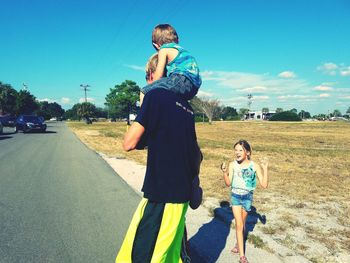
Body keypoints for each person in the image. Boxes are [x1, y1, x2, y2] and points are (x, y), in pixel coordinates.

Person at [116, 54, 200, 263]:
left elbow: (128, 143)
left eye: (146, 77)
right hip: (181, 194)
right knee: (171, 250)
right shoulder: (187, 108)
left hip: (162, 193)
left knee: (143, 252)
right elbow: (195, 153)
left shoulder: (154, 97)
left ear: (152, 74)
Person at [220, 140, 268, 263]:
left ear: (247, 152)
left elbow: (264, 185)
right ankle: (242, 256)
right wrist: (225, 173)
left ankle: (238, 243)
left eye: (240, 150)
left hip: (247, 198)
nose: (237, 152)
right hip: (235, 196)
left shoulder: (254, 165)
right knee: (239, 224)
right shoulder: (232, 165)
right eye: (235, 150)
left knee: (243, 223)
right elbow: (228, 183)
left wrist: (265, 169)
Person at [140, 24, 202, 105]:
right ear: (177, 40)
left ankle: (143, 115)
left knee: (144, 91)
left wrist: (152, 86)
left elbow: (158, 75)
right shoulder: (182, 51)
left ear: (157, 44)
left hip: (180, 79)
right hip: (194, 87)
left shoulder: (164, 49)